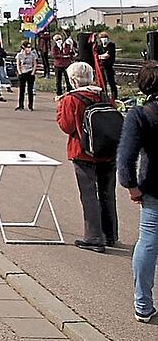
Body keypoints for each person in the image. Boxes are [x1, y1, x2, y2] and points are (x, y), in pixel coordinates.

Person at [56, 61, 118, 254]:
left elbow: (66, 126)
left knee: (89, 194)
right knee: (108, 194)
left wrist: (59, 108)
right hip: (108, 151)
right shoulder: (104, 95)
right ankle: (110, 235)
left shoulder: (71, 99)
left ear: (73, 80)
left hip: (83, 151)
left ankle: (94, 237)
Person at [116, 62, 158, 323]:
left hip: (154, 185)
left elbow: (126, 156)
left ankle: (143, 304)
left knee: (148, 242)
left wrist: (131, 186)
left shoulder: (141, 114)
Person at [15, 41, 38, 111]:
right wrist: (20, 72)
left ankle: (30, 106)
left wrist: (33, 72)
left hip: (30, 72)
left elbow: (35, 64)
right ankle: (20, 105)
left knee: (30, 90)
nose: (29, 49)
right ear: (23, 47)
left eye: (29, 47)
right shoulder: (19, 55)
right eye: (27, 47)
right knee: (22, 90)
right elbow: (18, 64)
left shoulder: (32, 55)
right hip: (22, 73)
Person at [98, 31, 119, 100]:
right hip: (102, 66)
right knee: (103, 82)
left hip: (109, 66)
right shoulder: (99, 47)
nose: (104, 39)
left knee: (111, 82)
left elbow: (107, 56)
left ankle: (114, 97)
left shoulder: (111, 45)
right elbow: (98, 56)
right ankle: (105, 97)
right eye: (102, 38)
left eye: (105, 37)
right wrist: (102, 56)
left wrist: (100, 56)